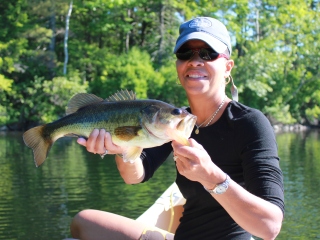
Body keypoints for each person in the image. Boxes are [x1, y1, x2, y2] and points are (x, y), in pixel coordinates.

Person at [69, 17, 284, 240]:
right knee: (83, 222)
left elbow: (270, 227)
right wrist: (123, 148)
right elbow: (135, 175)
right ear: (178, 66)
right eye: (185, 53)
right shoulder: (171, 121)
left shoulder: (249, 123)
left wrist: (211, 177)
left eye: (208, 53)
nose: (195, 61)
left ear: (228, 67)